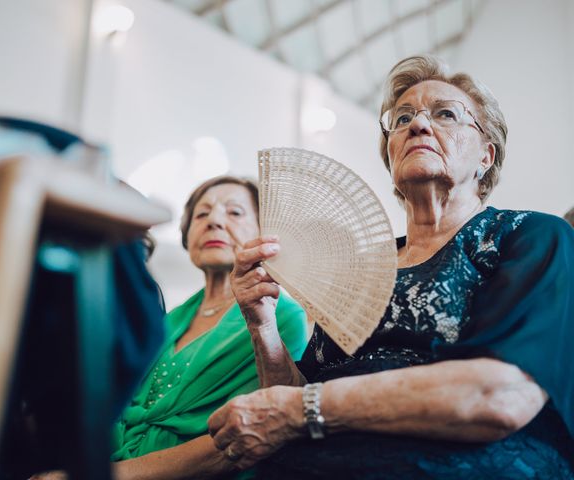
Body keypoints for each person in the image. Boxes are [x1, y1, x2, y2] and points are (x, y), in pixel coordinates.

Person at [208, 55, 574, 479]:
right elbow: (288, 402)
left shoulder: (530, 236)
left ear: (486, 156)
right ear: (391, 155)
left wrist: (304, 408)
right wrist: (262, 324)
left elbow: (499, 395)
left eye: (445, 114)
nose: (417, 125)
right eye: (402, 119)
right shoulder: (359, 270)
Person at [109, 176, 307, 479]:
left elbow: (249, 438)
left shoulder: (282, 315)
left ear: (263, 233)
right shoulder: (167, 320)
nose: (214, 220)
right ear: (188, 236)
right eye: (202, 214)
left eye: (235, 212)